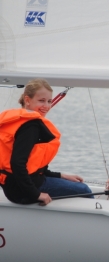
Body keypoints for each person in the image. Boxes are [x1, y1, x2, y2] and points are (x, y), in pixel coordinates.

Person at [0, 78, 93, 206]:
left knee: (75, 185)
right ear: (27, 100)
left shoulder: (18, 121)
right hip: (23, 190)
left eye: (49, 101)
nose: (47, 106)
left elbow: (33, 166)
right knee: (84, 190)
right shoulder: (30, 126)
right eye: (41, 101)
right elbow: (17, 164)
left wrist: (61, 175)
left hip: (14, 186)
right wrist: (36, 194)